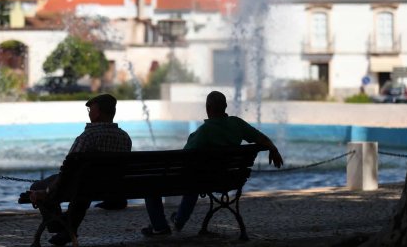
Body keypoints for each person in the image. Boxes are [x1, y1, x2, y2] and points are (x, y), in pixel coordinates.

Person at [141, 90, 283, 236]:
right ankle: (178, 220)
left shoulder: (204, 132)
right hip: (229, 180)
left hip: (203, 181)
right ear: (225, 106)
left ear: (208, 108)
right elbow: (261, 139)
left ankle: (160, 226)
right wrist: (273, 149)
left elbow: (182, 159)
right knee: (196, 179)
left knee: (156, 184)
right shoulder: (237, 124)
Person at [29, 94, 132, 245]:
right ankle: (68, 227)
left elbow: (68, 170)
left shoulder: (88, 136)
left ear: (97, 113)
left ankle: (60, 224)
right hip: (110, 188)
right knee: (85, 184)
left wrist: (46, 192)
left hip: (82, 186)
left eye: (90, 109)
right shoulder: (125, 137)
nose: (89, 112)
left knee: (38, 186)